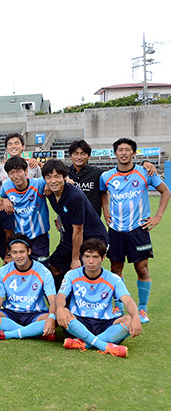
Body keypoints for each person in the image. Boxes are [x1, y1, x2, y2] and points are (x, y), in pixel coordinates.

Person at [100, 137, 170, 323]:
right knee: (115, 269)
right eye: (120, 150)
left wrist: (157, 217)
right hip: (115, 230)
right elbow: (102, 193)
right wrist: (106, 211)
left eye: (127, 150)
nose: (123, 153)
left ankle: (142, 309)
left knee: (142, 268)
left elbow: (166, 192)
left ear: (134, 153)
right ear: (115, 153)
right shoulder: (106, 176)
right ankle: (118, 305)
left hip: (138, 229)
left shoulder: (144, 172)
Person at [56, 239, 142, 358]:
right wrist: (59, 308)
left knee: (129, 319)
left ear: (103, 258)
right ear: (82, 257)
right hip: (79, 320)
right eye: (87, 256)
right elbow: (61, 296)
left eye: (95, 257)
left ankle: (84, 343)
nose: (90, 261)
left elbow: (127, 300)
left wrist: (136, 317)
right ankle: (104, 346)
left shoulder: (113, 278)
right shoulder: (72, 274)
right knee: (63, 312)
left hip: (104, 323)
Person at [43, 160, 108, 288]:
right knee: (53, 266)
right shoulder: (50, 192)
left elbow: (79, 230)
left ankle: (91, 302)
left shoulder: (75, 197)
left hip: (92, 237)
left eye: (57, 176)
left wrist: (75, 259)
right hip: (71, 236)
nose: (53, 181)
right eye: (49, 177)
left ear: (65, 177)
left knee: (84, 273)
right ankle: (64, 302)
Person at [0, 234, 57, 341]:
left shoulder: (43, 271)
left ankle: (8, 335)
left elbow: (53, 301)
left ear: (29, 251)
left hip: (35, 314)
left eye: (22, 252)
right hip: (12, 314)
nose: (18, 256)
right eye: (14, 252)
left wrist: (51, 318)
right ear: (10, 253)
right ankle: (34, 332)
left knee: (55, 318)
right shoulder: (3, 271)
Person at [67, 140, 156, 217]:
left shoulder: (99, 174)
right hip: (68, 220)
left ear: (89, 156)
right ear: (70, 156)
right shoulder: (62, 173)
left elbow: (121, 171)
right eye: (76, 154)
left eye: (83, 154)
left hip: (91, 222)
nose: (79, 157)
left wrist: (145, 162)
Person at [0, 156, 50, 265]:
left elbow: (54, 175)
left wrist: (41, 165)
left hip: (39, 238)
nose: (15, 176)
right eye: (11, 173)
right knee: (21, 270)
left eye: (18, 171)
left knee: (41, 268)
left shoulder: (38, 184)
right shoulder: (7, 186)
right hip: (19, 239)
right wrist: (2, 199)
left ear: (26, 171)